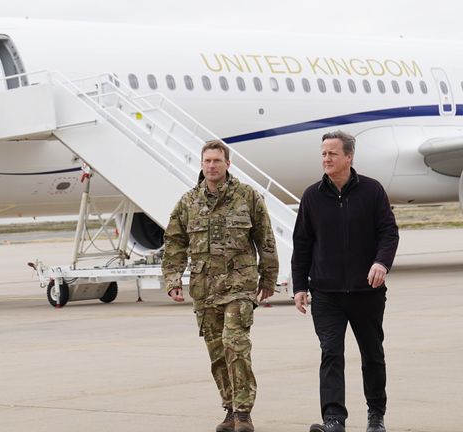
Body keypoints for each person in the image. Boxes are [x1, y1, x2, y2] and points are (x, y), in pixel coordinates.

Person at [162, 139, 278, 432]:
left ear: (228, 164)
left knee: (234, 344)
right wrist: (173, 279)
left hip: (239, 285)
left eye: (217, 160)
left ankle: (243, 412)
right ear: (201, 165)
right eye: (207, 161)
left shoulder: (247, 196)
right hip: (204, 289)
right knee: (217, 353)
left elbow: (265, 238)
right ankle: (228, 409)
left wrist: (268, 278)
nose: (211, 166)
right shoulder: (189, 202)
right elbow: (174, 242)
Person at [291, 131, 399, 432]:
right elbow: (302, 243)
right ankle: (334, 420)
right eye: (323, 153)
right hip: (326, 293)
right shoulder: (312, 196)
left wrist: (381, 262)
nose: (326, 158)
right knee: (331, 354)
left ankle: (376, 416)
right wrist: (300, 285)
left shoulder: (372, 191)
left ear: (349, 157)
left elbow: (389, 233)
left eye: (332, 153)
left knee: (372, 354)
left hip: (367, 291)